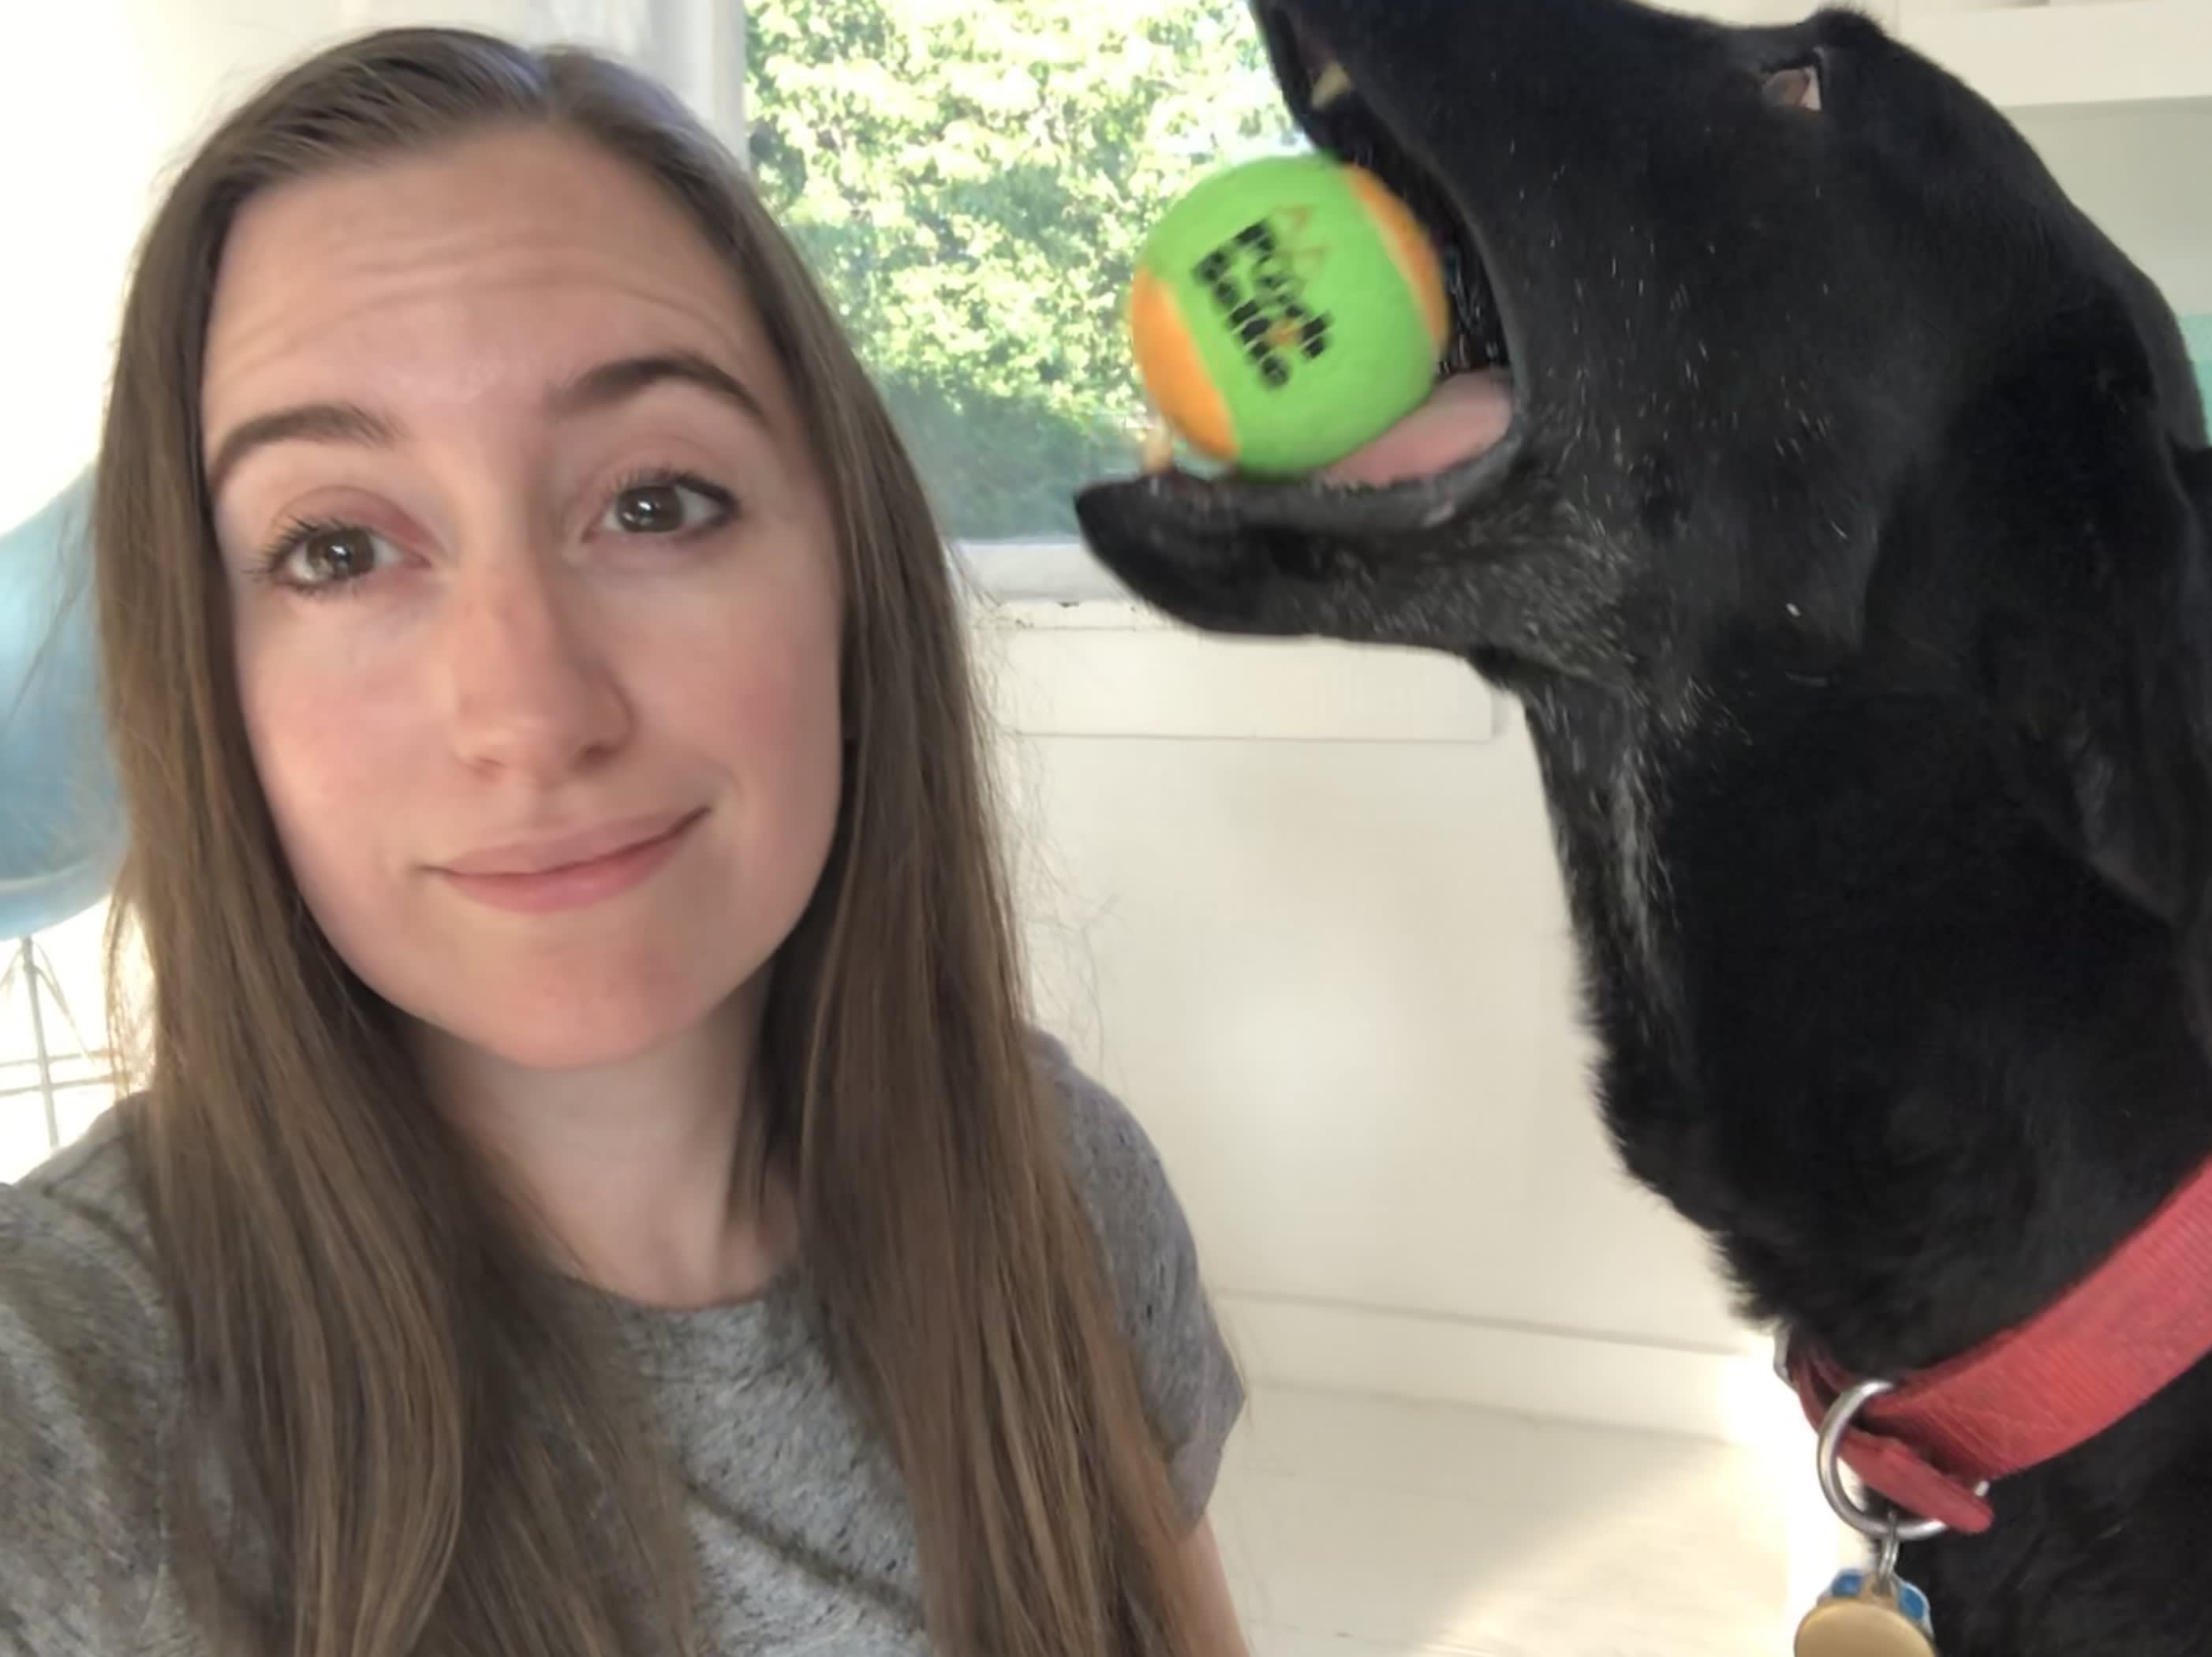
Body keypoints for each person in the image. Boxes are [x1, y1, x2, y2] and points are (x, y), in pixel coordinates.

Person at [0, 25, 1248, 1657]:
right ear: (208, 689)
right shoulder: (64, 1397)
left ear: (849, 597)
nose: (530, 711)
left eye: (653, 504)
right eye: (336, 547)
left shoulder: (1061, 1186)